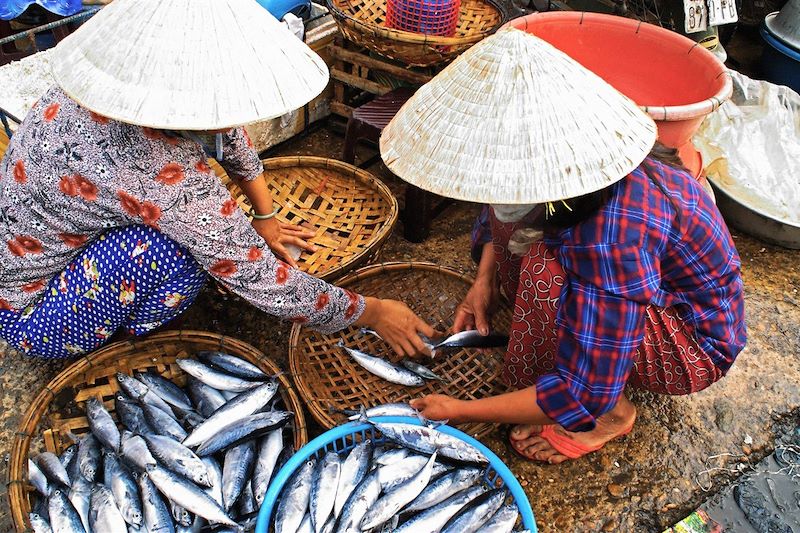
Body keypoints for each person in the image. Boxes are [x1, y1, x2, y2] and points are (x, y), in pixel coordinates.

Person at [380, 29, 746, 462]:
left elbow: (584, 390)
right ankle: (545, 344)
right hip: (632, 288)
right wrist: (482, 283)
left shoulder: (615, 237)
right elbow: (500, 213)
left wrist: (459, 411)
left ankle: (613, 417)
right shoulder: (578, 162)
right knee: (512, 230)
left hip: (690, 345)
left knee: (544, 272)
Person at [0, 0, 433, 359]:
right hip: (31, 313)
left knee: (191, 236)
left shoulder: (107, 84)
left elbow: (227, 132)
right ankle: (119, 341)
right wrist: (371, 312)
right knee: (179, 258)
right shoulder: (164, 178)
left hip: (43, 247)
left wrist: (264, 215)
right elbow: (258, 278)